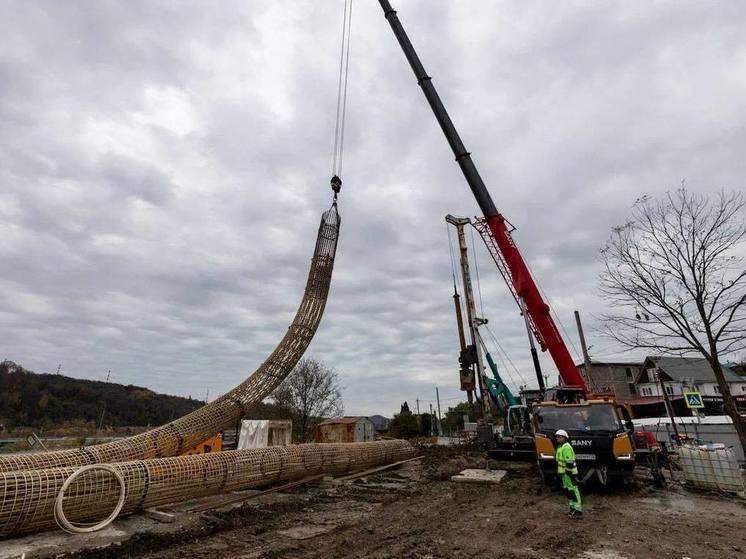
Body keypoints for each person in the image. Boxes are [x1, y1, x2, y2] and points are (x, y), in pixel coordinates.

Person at [555, 429, 582, 519]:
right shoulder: (560, 446)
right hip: (564, 474)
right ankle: (572, 508)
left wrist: (568, 472)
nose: (557, 439)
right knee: (568, 491)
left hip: (569, 473)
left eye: (559, 437)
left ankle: (578, 510)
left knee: (573, 490)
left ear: (564, 438)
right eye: (557, 437)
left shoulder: (566, 447)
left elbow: (569, 461)